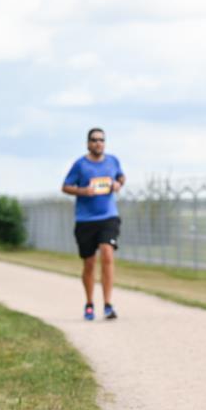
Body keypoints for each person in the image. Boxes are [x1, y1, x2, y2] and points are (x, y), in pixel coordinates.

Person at [62, 128, 126, 320]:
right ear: (88, 143)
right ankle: (89, 303)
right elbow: (65, 186)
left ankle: (107, 304)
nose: (98, 143)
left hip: (108, 217)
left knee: (107, 253)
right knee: (89, 263)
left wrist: (118, 185)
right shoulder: (80, 165)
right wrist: (83, 191)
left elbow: (121, 176)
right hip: (85, 220)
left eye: (101, 140)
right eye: (94, 140)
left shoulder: (112, 161)